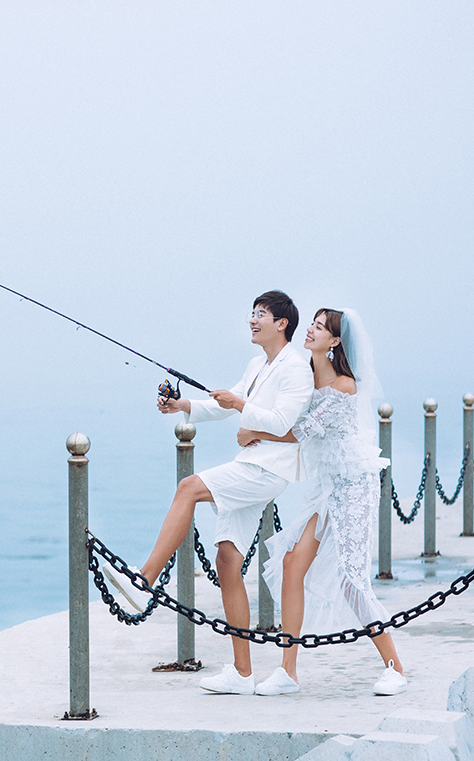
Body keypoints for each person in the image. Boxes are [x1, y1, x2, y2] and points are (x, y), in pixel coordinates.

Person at [103, 290, 314, 695]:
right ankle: (242, 673)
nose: (252, 320)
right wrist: (183, 405)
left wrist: (240, 406)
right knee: (226, 561)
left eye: (261, 314)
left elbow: (283, 420)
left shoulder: (296, 368)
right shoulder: (258, 363)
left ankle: (143, 580)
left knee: (189, 488)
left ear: (282, 323)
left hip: (268, 469)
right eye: (252, 313)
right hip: (249, 465)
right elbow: (223, 405)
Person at [241, 308, 407, 697]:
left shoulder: (344, 387)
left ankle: (395, 668)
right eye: (312, 324)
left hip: (354, 484)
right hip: (327, 485)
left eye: (319, 327)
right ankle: (288, 672)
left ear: (334, 342)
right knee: (291, 563)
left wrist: (254, 432)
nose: (311, 330)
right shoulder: (305, 377)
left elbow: (300, 432)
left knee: (352, 580)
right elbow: (285, 412)